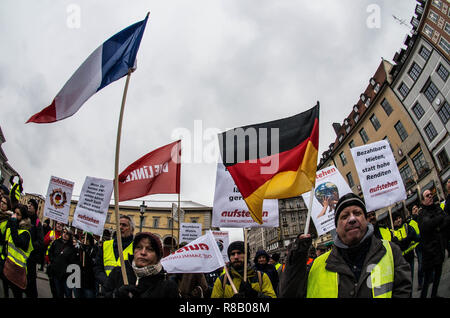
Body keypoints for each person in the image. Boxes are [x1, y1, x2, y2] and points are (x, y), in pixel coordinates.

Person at [280, 193, 411, 298]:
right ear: (336, 228)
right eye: (344, 216)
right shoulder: (318, 265)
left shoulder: (390, 251)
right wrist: (297, 255)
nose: (352, 219)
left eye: (358, 213)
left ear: (366, 220)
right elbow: (289, 293)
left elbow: (403, 289)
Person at [103, 232, 179, 298]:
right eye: (139, 247)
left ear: (158, 256)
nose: (143, 252)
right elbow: (103, 295)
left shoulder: (167, 285)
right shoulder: (119, 272)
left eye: (149, 249)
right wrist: (115, 295)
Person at [211, 241, 276, 298]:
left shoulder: (261, 277)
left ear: (247, 256)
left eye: (239, 253)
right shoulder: (222, 280)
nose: (236, 257)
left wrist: (256, 295)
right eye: (232, 254)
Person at [418, 189, 450, 298]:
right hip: (429, 252)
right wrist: (439, 219)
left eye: (431, 194)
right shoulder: (422, 213)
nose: (430, 196)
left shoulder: (436, 208)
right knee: (427, 280)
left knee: (438, 276)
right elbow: (427, 225)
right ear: (423, 201)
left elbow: (447, 219)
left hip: (439, 249)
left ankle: (434, 295)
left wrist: (438, 227)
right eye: (427, 196)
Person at [94, 215, 135, 291]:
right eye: (119, 224)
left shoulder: (136, 248)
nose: (120, 227)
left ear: (132, 229)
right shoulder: (106, 245)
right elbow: (97, 267)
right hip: (106, 289)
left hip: (125, 291)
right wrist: (106, 282)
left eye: (124, 225)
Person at [1, 204, 34, 298]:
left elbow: (17, 242)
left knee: (17, 295)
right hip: (8, 266)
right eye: (14, 213)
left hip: (18, 271)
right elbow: (5, 242)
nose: (15, 216)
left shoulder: (26, 233)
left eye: (18, 214)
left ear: (23, 217)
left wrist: (14, 225)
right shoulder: (13, 227)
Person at [47, 227, 78, 298]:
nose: (64, 234)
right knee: (57, 293)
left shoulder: (72, 247)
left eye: (67, 233)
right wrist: (53, 261)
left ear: (70, 236)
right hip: (56, 273)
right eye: (63, 232)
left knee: (68, 294)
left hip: (66, 275)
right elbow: (50, 252)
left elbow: (73, 261)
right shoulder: (56, 242)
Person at [392, 212, 419, 287]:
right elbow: (399, 245)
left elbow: (413, 236)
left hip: (410, 256)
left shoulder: (406, 226)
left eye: (399, 218)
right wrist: (407, 240)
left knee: (411, 279)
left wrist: (404, 241)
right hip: (402, 260)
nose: (398, 220)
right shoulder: (392, 232)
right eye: (396, 219)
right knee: (406, 281)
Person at [24, 199, 44, 298]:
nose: (29, 206)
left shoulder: (37, 223)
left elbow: (40, 242)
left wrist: (29, 244)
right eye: (29, 204)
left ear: (35, 208)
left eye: (32, 205)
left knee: (30, 283)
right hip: (21, 256)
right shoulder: (24, 219)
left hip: (31, 258)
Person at [73, 232, 98, 298]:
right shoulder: (78, 249)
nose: (84, 240)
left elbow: (93, 263)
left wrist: (86, 252)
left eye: (86, 238)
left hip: (89, 282)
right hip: (78, 280)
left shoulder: (94, 250)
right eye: (83, 238)